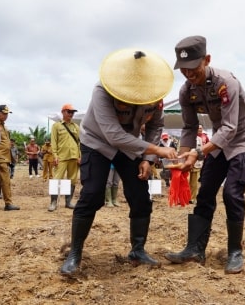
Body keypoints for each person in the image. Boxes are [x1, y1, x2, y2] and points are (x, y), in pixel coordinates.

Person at [60, 48, 177, 276]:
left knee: (141, 196)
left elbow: (155, 126)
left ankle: (138, 250)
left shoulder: (154, 94)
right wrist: (155, 149)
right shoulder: (102, 90)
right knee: (92, 194)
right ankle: (74, 254)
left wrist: (148, 159)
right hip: (97, 143)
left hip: (131, 146)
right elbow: (113, 135)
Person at [164, 35, 245, 274]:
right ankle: (194, 249)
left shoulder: (226, 82)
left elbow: (231, 128)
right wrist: (182, 157)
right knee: (205, 191)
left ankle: (235, 252)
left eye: (193, 67)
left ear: (206, 60)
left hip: (242, 142)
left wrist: (197, 152)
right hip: (219, 144)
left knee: (232, 193)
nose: (188, 73)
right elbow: (188, 127)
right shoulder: (186, 91)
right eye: (183, 69)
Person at [48, 103, 81, 211]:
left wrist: (80, 155)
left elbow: (79, 143)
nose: (71, 114)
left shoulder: (76, 127)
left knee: (71, 180)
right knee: (56, 179)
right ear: (63, 112)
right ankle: (53, 202)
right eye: (69, 112)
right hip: (61, 157)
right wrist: (55, 155)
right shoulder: (57, 126)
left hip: (74, 156)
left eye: (72, 112)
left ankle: (68, 202)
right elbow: (54, 141)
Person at [0, 105, 20, 211]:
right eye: (3, 113)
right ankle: (8, 203)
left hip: (5, 156)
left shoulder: (3, 125)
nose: (6, 115)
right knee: (6, 179)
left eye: (7, 113)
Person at [189, 135, 204, 203]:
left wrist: (200, 162)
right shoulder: (187, 137)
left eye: (201, 128)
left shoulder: (200, 139)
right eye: (198, 128)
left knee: (194, 182)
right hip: (187, 163)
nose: (199, 130)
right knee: (186, 181)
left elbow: (201, 151)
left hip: (196, 163)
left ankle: (192, 198)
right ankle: (184, 197)